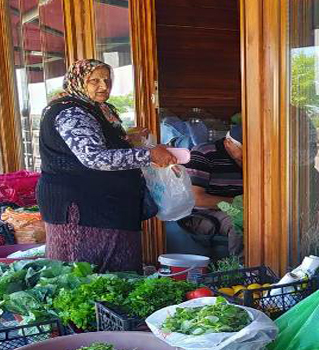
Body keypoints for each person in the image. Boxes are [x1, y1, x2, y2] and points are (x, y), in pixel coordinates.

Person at [36, 59, 175, 272]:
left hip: (106, 203)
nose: (103, 86)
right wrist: (148, 155)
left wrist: (130, 139)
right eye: (94, 81)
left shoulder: (97, 108)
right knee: (84, 273)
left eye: (107, 80)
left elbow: (98, 141)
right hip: (82, 207)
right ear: (78, 81)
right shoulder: (71, 112)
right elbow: (95, 157)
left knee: (116, 273)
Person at [178, 124, 244, 258]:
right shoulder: (204, 153)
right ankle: (242, 269)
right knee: (242, 219)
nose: (250, 154)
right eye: (244, 149)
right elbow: (197, 199)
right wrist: (235, 203)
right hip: (207, 211)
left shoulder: (252, 157)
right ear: (229, 143)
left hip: (238, 206)